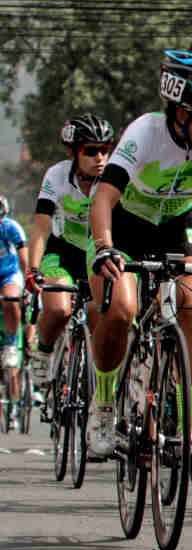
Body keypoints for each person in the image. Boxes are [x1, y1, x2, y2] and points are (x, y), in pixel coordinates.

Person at [87, 51, 192, 464]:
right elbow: (104, 197)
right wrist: (105, 246)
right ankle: (105, 404)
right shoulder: (146, 133)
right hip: (128, 227)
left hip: (181, 224)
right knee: (121, 309)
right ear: (182, 113)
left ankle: (188, 428)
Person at [25, 115, 113, 387]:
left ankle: (98, 387)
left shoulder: (113, 177)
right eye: (90, 151)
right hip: (62, 251)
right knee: (59, 310)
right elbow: (41, 226)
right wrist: (33, 269)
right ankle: (44, 350)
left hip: (96, 252)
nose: (99, 157)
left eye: (104, 150)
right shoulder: (57, 175)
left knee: (101, 319)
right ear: (74, 152)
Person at [0, 195, 29, 412]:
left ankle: (11, 344)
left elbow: (23, 254)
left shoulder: (10, 227)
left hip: (10, 274)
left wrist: (28, 282)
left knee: (11, 300)